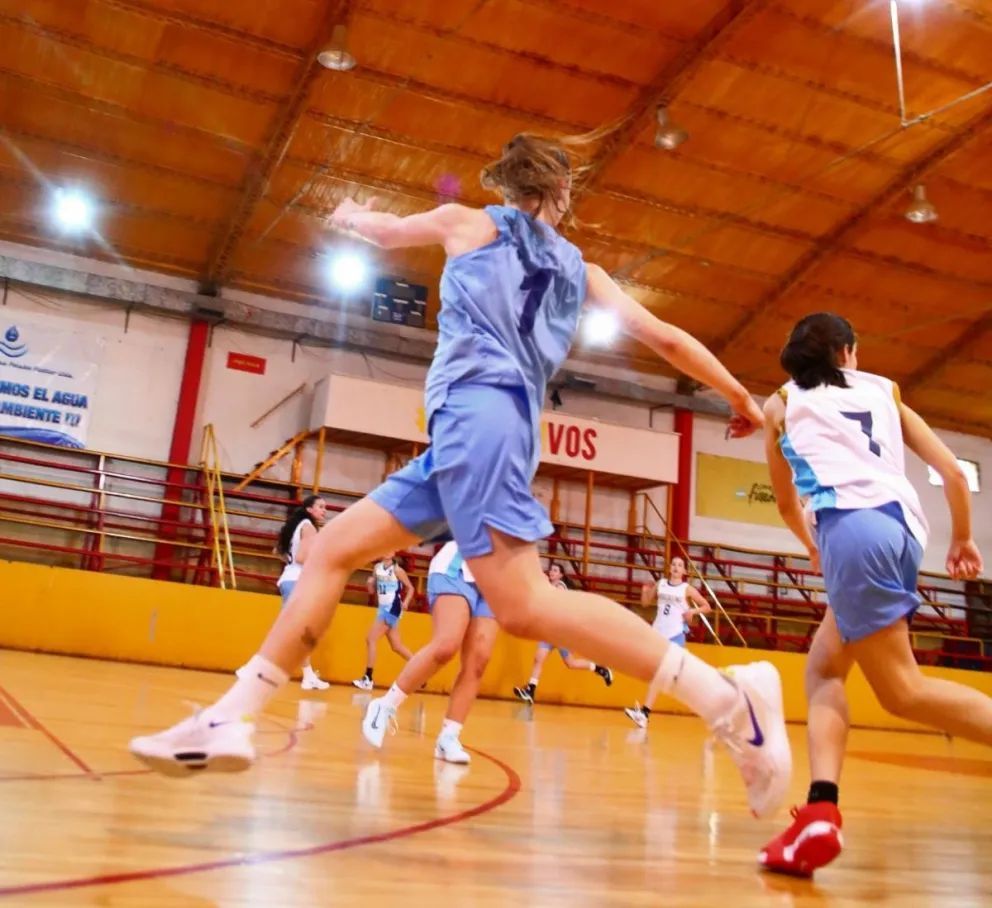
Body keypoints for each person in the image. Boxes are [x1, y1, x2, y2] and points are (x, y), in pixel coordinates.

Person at [130, 133, 791, 820]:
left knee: (525, 605)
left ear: (507, 185)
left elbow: (384, 232)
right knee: (331, 550)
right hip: (472, 432)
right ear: (562, 196)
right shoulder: (583, 272)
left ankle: (726, 701)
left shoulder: (466, 222)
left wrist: (351, 212)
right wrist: (738, 397)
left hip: (481, 417)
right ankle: (230, 715)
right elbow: (668, 339)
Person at [756, 313, 989, 876]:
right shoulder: (885, 389)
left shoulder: (780, 405)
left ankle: (821, 812)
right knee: (825, 667)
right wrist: (962, 537)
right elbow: (955, 477)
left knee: (901, 692)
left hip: (852, 531)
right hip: (904, 530)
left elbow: (787, 505)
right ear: (847, 352)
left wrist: (816, 548)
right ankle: (820, 807)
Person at [362, 541, 499, 763]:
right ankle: (385, 706)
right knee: (446, 645)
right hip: (457, 568)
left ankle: (449, 737)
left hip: (495, 580)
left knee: (479, 659)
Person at [624, 555, 712, 728]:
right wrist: (644, 591)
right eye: (674, 564)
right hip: (658, 634)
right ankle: (644, 714)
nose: (676, 567)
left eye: (680, 565)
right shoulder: (661, 584)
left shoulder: (686, 589)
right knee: (659, 675)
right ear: (669, 567)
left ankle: (645, 713)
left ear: (685, 571)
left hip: (676, 634)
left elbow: (707, 606)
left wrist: (692, 612)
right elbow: (645, 603)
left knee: (665, 674)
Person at [254, 495, 330, 691]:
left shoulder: (297, 525)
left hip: (291, 579)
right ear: (309, 509)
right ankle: (256, 667)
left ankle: (308, 675)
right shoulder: (309, 527)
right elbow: (303, 557)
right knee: (297, 631)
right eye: (320, 507)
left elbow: (277, 551)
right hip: (298, 581)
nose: (324, 510)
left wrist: (290, 561)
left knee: (297, 631)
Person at [513, 562, 613, 704]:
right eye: (551, 570)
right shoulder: (549, 586)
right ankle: (530, 690)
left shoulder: (560, 586)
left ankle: (600, 669)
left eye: (555, 570)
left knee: (570, 663)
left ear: (560, 575)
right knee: (540, 659)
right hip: (549, 630)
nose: (552, 572)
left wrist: (540, 582)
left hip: (560, 631)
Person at [352, 554, 415, 690]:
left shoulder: (397, 570)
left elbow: (410, 588)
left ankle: (368, 678)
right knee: (397, 646)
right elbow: (372, 590)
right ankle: (421, 670)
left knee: (371, 639)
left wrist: (406, 602)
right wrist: (369, 584)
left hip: (392, 608)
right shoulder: (377, 568)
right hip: (382, 608)